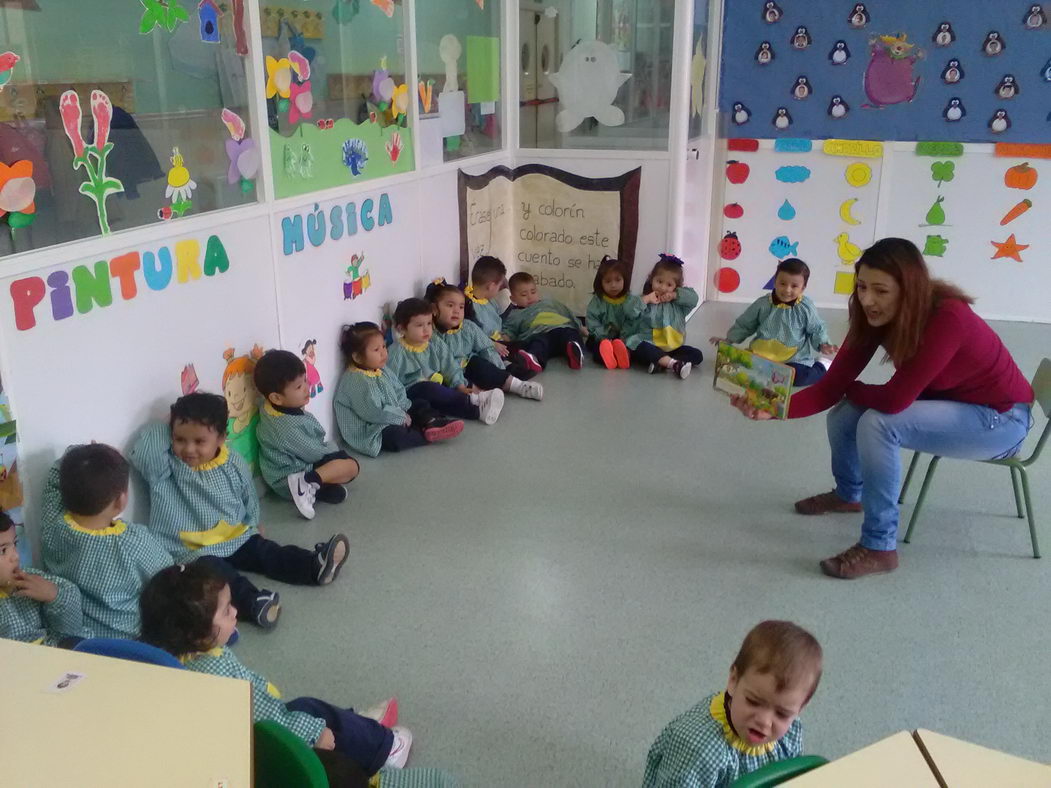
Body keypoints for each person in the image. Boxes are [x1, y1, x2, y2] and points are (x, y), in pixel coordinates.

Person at [732, 238, 1035, 578]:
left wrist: (852, 389)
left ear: (910, 290)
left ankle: (879, 546)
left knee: (878, 423)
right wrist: (773, 406)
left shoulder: (949, 318)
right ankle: (850, 495)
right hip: (953, 402)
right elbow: (831, 387)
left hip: (1002, 418)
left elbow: (894, 400)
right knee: (847, 413)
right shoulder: (872, 315)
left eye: (881, 291)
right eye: (861, 287)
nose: (868, 300)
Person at [140, 562, 411, 776]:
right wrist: (313, 733)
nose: (235, 612)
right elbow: (266, 717)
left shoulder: (164, 659)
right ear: (196, 633)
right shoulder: (218, 672)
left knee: (317, 716)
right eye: (225, 611)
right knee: (312, 712)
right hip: (261, 749)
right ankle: (385, 749)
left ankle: (358, 729)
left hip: (228, 746)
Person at [129, 393, 351, 630]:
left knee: (266, 552)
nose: (188, 449)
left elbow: (248, 496)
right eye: (179, 439)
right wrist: (164, 425)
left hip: (234, 535)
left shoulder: (232, 461)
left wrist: (253, 524)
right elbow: (144, 452)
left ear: (221, 438)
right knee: (219, 576)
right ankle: (254, 603)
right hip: (191, 550)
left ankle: (313, 565)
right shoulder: (165, 468)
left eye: (199, 441)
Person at [643, 620, 822, 788]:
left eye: (782, 714)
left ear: (800, 707)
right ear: (733, 680)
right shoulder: (698, 750)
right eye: (753, 701)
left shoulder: (791, 731)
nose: (764, 722)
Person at [39, 444, 173, 638]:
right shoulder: (134, 542)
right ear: (121, 501)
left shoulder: (53, 525)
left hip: (74, 637)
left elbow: (56, 474)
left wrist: (86, 457)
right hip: (126, 640)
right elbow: (167, 574)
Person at [255, 349, 362, 520]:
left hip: (289, 471)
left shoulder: (272, 407)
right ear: (276, 398)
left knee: (338, 489)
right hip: (288, 480)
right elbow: (315, 453)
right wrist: (334, 449)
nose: (307, 387)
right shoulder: (287, 429)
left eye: (304, 380)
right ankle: (306, 484)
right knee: (351, 466)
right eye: (299, 387)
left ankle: (313, 486)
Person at [334, 322, 465, 456]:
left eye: (384, 346)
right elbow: (374, 412)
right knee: (395, 437)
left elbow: (398, 388)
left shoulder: (380, 369)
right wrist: (401, 417)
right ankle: (423, 433)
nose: (383, 353)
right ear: (357, 357)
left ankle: (432, 422)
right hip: (372, 428)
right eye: (376, 350)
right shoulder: (355, 381)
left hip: (393, 413)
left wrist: (405, 408)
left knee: (419, 404)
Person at [711, 258, 837, 387]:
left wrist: (823, 344)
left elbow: (816, 328)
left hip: (793, 359)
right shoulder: (762, 304)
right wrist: (729, 339)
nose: (787, 290)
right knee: (739, 369)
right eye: (782, 283)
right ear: (775, 282)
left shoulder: (805, 308)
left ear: (803, 288)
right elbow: (745, 324)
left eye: (794, 286)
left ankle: (821, 365)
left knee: (799, 378)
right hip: (762, 355)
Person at [386, 298, 505, 425]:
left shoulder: (434, 342)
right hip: (413, 392)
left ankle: (478, 412)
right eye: (419, 325)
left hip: (437, 386)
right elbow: (391, 383)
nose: (426, 330)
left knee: (446, 394)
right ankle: (473, 401)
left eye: (429, 323)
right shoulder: (396, 353)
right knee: (430, 390)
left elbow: (449, 365)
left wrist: (460, 386)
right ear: (401, 329)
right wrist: (399, 407)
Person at [428, 280, 542, 401]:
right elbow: (446, 365)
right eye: (450, 305)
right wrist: (458, 383)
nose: (456, 310)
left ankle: (519, 386)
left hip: (469, 364)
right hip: (449, 375)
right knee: (448, 387)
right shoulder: (431, 335)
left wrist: (499, 370)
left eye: (461, 307)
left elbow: (486, 347)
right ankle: (482, 399)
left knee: (483, 366)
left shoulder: (468, 327)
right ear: (434, 309)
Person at [0, 510, 84, 646]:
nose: (15, 556)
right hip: (17, 663)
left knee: (80, 643)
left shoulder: (27, 578)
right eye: (2, 550)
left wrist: (54, 595)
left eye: (14, 544)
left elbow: (71, 628)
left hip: (52, 650)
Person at [624, 254, 703, 380]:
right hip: (651, 344)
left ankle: (661, 363)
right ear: (652, 279)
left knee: (697, 355)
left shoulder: (679, 306)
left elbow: (694, 298)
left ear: (676, 287)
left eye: (669, 285)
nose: (662, 287)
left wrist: (675, 296)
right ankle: (673, 364)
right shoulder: (645, 299)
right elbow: (629, 311)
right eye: (659, 281)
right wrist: (646, 299)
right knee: (637, 347)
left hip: (672, 347)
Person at [502, 272, 586, 372]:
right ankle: (534, 359)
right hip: (539, 333)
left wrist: (580, 327)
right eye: (524, 294)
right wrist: (505, 337)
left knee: (571, 334)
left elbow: (567, 313)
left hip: (561, 328)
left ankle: (575, 352)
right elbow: (510, 329)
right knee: (539, 343)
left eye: (533, 292)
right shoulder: (515, 314)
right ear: (513, 299)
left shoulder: (549, 303)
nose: (530, 297)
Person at [585, 256, 642, 370]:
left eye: (618, 280)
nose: (613, 285)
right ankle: (608, 356)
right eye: (608, 281)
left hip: (623, 338)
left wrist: (623, 338)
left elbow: (633, 320)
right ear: (600, 283)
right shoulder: (598, 301)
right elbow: (593, 321)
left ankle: (622, 355)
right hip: (601, 337)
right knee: (593, 346)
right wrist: (603, 337)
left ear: (625, 280)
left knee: (635, 347)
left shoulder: (630, 301)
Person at [465, 255, 509, 343]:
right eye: (499, 286)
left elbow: (498, 322)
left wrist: (503, 335)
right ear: (491, 286)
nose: (499, 290)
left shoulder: (489, 301)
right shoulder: (469, 308)